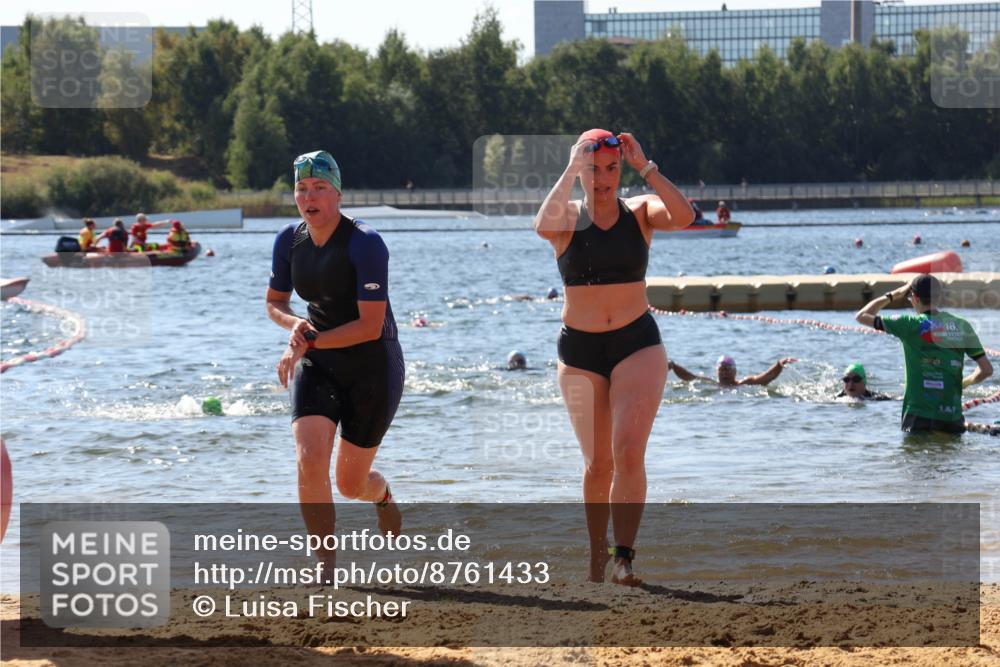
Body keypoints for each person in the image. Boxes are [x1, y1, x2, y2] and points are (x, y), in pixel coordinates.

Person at [534, 129, 695, 586]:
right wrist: (570, 167)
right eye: (592, 170)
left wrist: (647, 167)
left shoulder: (640, 211)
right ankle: (595, 554)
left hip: (636, 344)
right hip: (580, 351)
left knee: (627, 451)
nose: (602, 179)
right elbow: (541, 226)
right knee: (597, 465)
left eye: (609, 169)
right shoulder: (566, 216)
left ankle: (623, 557)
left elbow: (685, 216)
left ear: (619, 170)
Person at [266, 150, 404, 571]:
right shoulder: (289, 241)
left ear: (338, 194)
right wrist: (294, 325)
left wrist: (309, 342)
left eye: (320, 188)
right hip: (319, 363)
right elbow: (274, 303)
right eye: (301, 189)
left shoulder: (365, 243)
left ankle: (380, 494)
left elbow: (368, 325)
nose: (310, 197)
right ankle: (326, 568)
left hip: (372, 367)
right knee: (309, 460)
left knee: (350, 484)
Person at [855, 274, 993, 434]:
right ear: (939, 297)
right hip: (951, 416)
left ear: (914, 297)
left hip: (918, 414)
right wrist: (964, 382)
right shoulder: (962, 325)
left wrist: (893, 295)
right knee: (951, 457)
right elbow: (987, 370)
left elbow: (862, 316)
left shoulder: (908, 324)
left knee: (917, 456)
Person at [669, 355, 798, 386]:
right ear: (716, 372)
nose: (724, 373)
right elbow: (689, 377)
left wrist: (779, 364)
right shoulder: (711, 384)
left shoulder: (744, 383)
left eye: (728, 370)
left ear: (735, 372)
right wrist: (674, 366)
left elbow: (767, 377)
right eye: (721, 370)